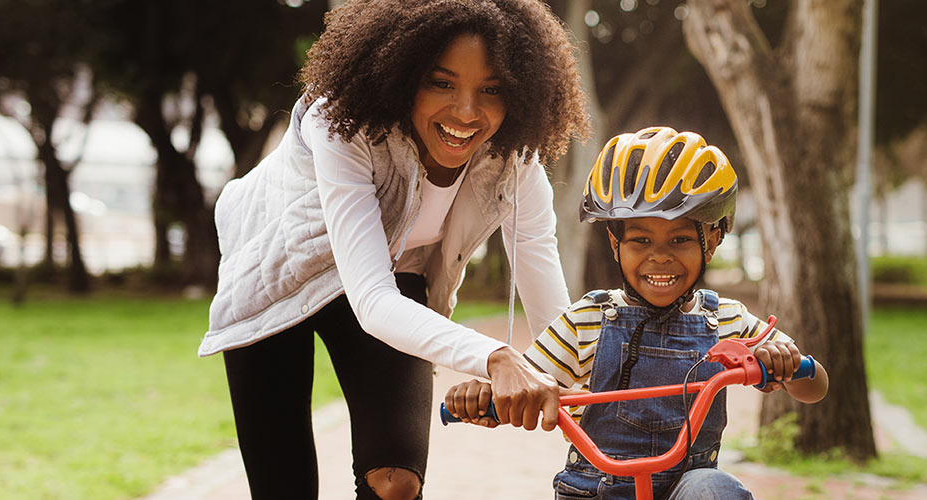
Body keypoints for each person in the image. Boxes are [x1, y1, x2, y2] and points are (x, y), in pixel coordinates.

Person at [197, 1, 590, 498]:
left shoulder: (514, 155)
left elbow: (535, 252)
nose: (467, 112)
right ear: (402, 74)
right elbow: (372, 301)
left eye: (491, 89)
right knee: (283, 487)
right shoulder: (341, 120)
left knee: (396, 483)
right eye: (441, 83)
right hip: (277, 277)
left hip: (390, 272)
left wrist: (578, 376)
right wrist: (495, 357)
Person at [444, 127, 830, 500]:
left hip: (689, 489)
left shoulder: (727, 320)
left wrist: (786, 363)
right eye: (640, 240)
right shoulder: (588, 320)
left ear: (710, 242)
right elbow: (525, 384)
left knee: (715, 490)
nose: (659, 255)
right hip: (595, 491)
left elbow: (815, 387)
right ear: (615, 243)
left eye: (679, 239)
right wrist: (484, 399)